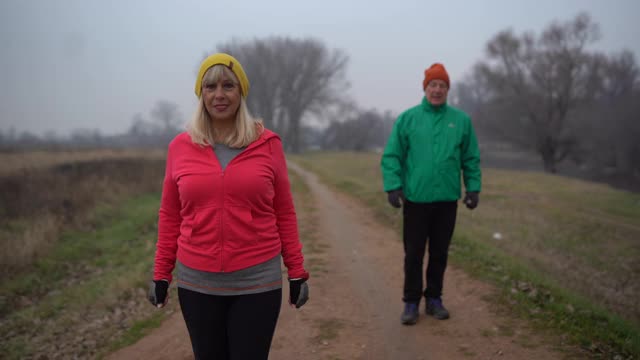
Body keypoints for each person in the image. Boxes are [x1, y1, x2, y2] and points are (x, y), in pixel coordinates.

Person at [147, 53, 310, 359]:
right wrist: (161, 273)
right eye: (210, 86)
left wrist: (297, 270)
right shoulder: (180, 147)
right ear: (201, 94)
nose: (219, 95)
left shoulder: (268, 144)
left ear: (241, 92)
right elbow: (170, 215)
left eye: (228, 85)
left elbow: (284, 211)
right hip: (197, 284)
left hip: (257, 282)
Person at [380, 63, 481, 325]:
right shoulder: (408, 119)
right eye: (433, 85)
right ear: (425, 88)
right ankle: (411, 302)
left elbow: (471, 158)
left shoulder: (461, 121)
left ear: (448, 90)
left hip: (447, 200)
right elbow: (392, 155)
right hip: (416, 200)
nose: (437, 90)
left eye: (442, 86)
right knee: (413, 254)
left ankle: (434, 299)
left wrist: (473, 188)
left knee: (439, 253)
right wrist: (393, 185)